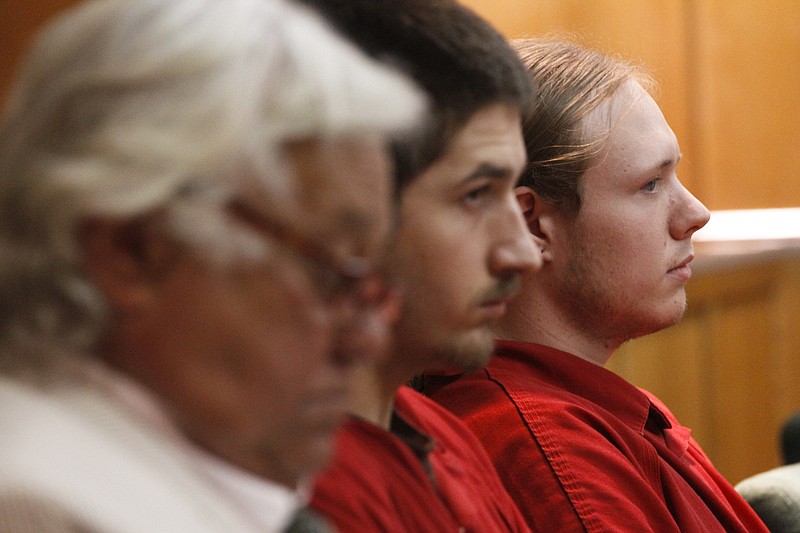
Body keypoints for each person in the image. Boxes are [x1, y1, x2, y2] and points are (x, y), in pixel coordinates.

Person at [0, 0, 425, 531]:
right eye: (334, 275)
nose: (367, 341)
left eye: (374, 280)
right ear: (132, 250)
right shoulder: (49, 508)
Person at [423, 38, 769, 532]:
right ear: (533, 226)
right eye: (650, 185)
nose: (695, 214)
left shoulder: (588, 410)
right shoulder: (549, 453)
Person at [291, 0, 541, 530]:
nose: (522, 251)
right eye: (476, 195)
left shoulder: (445, 436)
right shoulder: (303, 487)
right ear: (355, 201)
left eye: (513, 192)